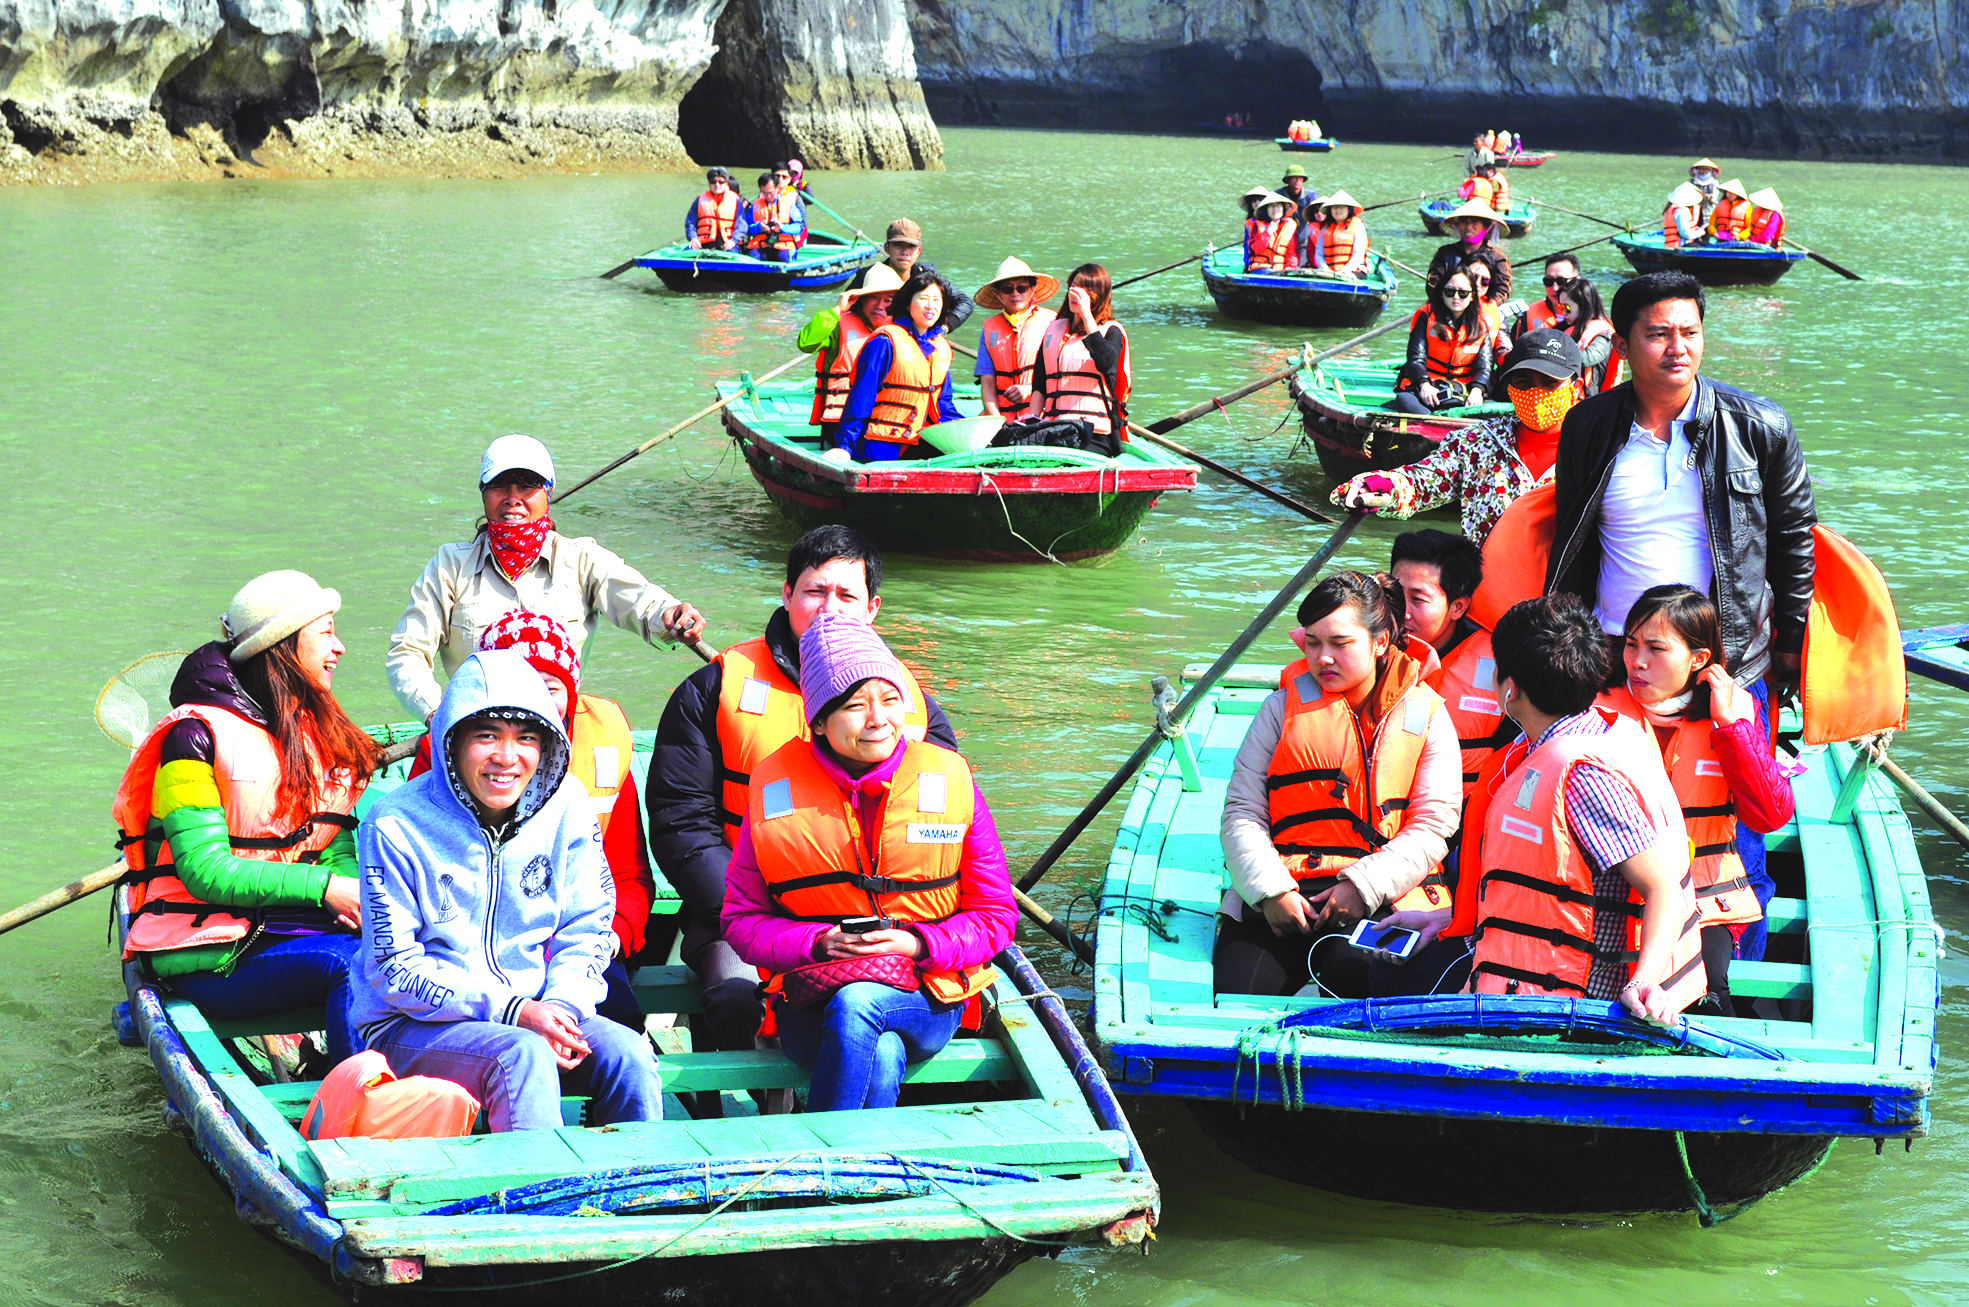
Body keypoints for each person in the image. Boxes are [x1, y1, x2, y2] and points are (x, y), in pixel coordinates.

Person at [646, 526, 959, 1084]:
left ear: (873, 608)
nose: (828, 608)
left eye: (847, 596)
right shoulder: (712, 689)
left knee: (880, 1014)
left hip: (879, 922)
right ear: (787, 594)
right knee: (735, 995)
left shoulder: (910, 706)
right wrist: (764, 925)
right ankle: (730, 1117)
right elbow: (680, 823)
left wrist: (892, 933)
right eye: (815, 592)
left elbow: (949, 831)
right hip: (739, 912)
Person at [354, 650, 663, 1132]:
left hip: (536, 1004)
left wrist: (562, 1006)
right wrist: (513, 1012)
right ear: (451, 742)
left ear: (548, 745)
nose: (506, 756)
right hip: (409, 1026)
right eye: (486, 736)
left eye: (526, 738)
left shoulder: (567, 807)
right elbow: (394, 969)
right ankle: (537, 1203)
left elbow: (588, 925)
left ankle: (643, 1196)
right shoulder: (395, 824)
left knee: (629, 1054)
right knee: (521, 1055)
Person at [721, 614, 1016, 1111]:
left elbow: (996, 916)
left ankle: (813, 1170)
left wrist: (919, 941)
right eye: (855, 706)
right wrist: (818, 942)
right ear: (818, 720)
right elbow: (740, 921)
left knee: (860, 1004)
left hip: (926, 994)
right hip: (810, 998)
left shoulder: (951, 780)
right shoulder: (773, 791)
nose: (877, 719)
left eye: (890, 699)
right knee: (878, 1055)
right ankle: (857, 1184)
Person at [113, 571, 375, 1069]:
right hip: (213, 953)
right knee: (354, 965)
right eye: (326, 632)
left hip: (291, 933)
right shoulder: (191, 738)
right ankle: (352, 1113)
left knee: (404, 948)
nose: (339, 647)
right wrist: (325, 889)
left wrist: (347, 896)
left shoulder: (321, 733)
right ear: (281, 646)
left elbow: (336, 850)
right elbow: (204, 870)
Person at [1423, 595, 1708, 1023]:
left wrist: (1643, 982)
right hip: (1524, 981)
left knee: (1375, 977)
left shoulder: (1581, 776)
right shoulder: (1576, 737)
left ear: (1509, 686)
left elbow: (1662, 888)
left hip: (1568, 1004)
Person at [1547, 270, 1817, 689]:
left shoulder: (1761, 426)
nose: (1678, 348)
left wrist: (1793, 640)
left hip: (1724, 660)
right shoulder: (1587, 426)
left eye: (1690, 332)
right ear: (1620, 344)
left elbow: (1794, 538)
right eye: (1658, 335)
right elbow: (1570, 541)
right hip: (1611, 654)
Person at [401, 612, 656, 1033]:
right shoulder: (446, 755)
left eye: (549, 687)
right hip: (467, 957)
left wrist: (607, 941)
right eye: (517, 683)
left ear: (570, 692)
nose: (532, 699)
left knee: (619, 1028)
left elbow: (627, 877)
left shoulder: (601, 751)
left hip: (575, 949)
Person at [1214, 572, 1460, 998]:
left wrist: (1361, 888)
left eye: (1339, 643)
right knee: (1238, 990)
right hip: (1286, 896)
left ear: (1380, 641)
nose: (1322, 657)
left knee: (1358, 982)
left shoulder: (1429, 716)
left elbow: (1435, 824)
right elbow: (1242, 812)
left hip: (1387, 903)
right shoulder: (1279, 710)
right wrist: (1271, 891)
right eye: (1313, 642)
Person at [386, 435, 705, 723]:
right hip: (475, 732)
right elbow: (407, 652)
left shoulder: (581, 559)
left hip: (560, 725)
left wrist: (671, 616)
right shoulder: (449, 566)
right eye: (500, 486)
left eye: (526, 486)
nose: (513, 498)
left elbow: (641, 601)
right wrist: (441, 715)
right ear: (484, 495)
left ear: (547, 493)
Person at [1603, 584, 1793, 1011]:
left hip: (1706, 896)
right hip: (1615, 881)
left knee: (1710, 993)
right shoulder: (1599, 706)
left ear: (1699, 659)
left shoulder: (1735, 712)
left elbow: (1770, 815)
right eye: (1631, 644)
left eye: (1656, 648)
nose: (1637, 661)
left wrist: (1733, 731)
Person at [1337, 328, 1584, 540]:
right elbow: (1422, 483)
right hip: (1487, 590)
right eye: (1524, 382)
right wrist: (1384, 485)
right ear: (1509, 387)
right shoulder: (1478, 443)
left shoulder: (1597, 451)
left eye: (1549, 382)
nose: (1536, 392)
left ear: (1576, 389)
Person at [1393, 531, 1516, 803]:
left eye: (1418, 599)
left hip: (1465, 818)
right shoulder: (1365, 650)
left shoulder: (1504, 665)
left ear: (1457, 607)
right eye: (1393, 593)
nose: (1401, 612)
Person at [832, 268, 963, 461]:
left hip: (920, 438)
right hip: (880, 442)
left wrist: (964, 438)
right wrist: (845, 446)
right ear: (908, 303)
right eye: (923, 298)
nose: (931, 306)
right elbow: (862, 396)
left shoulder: (940, 348)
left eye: (937, 300)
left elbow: (944, 404)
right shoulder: (885, 342)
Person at [1027, 263, 1132, 446]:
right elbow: (1040, 381)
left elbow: (1107, 362)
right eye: (1074, 286)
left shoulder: (1112, 331)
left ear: (1099, 295)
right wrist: (1032, 420)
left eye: (1086, 289)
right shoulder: (1055, 328)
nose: (1076, 293)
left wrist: (1086, 315)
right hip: (1055, 427)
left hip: (1095, 433)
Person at [799, 264, 904, 444]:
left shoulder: (903, 330)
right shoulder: (839, 324)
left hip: (887, 420)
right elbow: (806, 343)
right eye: (874, 298)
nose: (880, 306)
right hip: (840, 421)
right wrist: (836, 310)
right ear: (861, 299)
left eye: (888, 300)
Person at [1391, 265, 1491, 414]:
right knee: (1404, 400)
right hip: (1425, 388)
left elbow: (1484, 367)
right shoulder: (1425, 316)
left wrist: (1476, 390)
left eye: (1463, 293)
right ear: (1442, 293)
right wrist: (1424, 385)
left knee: (1492, 409)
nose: (1456, 297)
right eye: (1450, 292)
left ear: (1472, 296)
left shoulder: (1481, 325)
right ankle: (1429, 427)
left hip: (1461, 392)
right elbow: (1415, 359)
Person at [973, 257, 1060, 423]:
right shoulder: (989, 329)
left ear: (1032, 289)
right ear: (997, 293)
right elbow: (988, 385)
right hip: (1003, 419)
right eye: (1007, 289)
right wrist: (996, 422)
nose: (1015, 294)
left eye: (1022, 288)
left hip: (1041, 417)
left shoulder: (1052, 322)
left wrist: (1029, 390)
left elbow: (1061, 376)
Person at [845, 219, 974, 330]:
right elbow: (847, 308)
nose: (905, 252)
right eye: (898, 245)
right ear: (887, 248)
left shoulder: (928, 276)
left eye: (911, 246)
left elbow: (964, 302)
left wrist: (943, 328)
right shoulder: (867, 276)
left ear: (918, 251)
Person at [1554, 276, 1621, 394]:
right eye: (1560, 307)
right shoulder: (1564, 328)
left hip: (1596, 401)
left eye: (1567, 307)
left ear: (1584, 305)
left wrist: (1553, 354)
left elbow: (1587, 359)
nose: (1563, 313)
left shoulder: (1604, 334)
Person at [1511, 254, 1580, 340]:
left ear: (1577, 281)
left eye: (1561, 281)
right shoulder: (1528, 315)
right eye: (1549, 281)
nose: (1555, 288)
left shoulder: (1591, 317)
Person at [740, 171, 803, 262]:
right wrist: (759, 227)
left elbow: (798, 227)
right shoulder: (755, 205)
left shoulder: (789, 204)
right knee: (753, 258)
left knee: (782, 258)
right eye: (764, 193)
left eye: (771, 192)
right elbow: (747, 228)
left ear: (777, 188)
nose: (768, 196)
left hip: (783, 244)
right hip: (761, 244)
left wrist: (782, 227)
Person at [1309, 191, 1369, 277]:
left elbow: (1358, 255)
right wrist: (1325, 269)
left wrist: (1344, 272)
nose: (1338, 210)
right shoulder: (1325, 228)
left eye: (1341, 207)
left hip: (1354, 271)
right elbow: (1319, 253)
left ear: (1349, 209)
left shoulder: (1357, 225)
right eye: (1335, 207)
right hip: (1328, 272)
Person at [684, 167, 739, 251]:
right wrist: (693, 238)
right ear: (709, 184)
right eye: (713, 182)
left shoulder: (735, 200)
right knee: (687, 252)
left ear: (726, 184)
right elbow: (690, 222)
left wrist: (733, 240)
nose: (717, 185)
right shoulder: (699, 200)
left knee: (734, 254)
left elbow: (742, 225)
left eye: (721, 182)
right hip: (703, 242)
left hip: (728, 243)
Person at [1244, 192, 1299, 272]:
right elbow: (1254, 249)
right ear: (1266, 209)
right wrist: (1268, 233)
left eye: (1278, 206)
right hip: (1260, 268)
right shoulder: (1257, 225)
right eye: (1271, 206)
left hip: (1280, 270)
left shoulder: (1290, 225)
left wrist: (1290, 268)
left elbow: (1291, 253)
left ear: (1283, 209)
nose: (1275, 209)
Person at [1279, 163, 1320, 260]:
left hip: (1303, 242)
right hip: (1283, 241)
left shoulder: (1310, 196)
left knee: (1302, 266)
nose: (1298, 180)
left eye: (1300, 178)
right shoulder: (1278, 195)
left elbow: (1317, 216)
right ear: (1288, 180)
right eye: (1294, 178)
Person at [771, 162, 808, 247]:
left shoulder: (795, 197)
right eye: (777, 176)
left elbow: (803, 222)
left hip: (791, 237)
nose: (780, 180)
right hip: (769, 236)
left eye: (784, 177)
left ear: (789, 179)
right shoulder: (764, 196)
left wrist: (784, 229)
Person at [1662, 181, 1704, 249]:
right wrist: (1699, 233)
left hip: (1686, 242)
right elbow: (1685, 233)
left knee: (1707, 244)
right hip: (1677, 245)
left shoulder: (1681, 208)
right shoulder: (1680, 211)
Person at [1688, 159, 1723, 230]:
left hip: (1708, 213)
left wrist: (1710, 197)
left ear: (1711, 172)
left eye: (1706, 170)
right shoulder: (1692, 182)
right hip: (1694, 212)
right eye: (1702, 169)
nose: (1703, 171)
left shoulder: (1714, 183)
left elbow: (1715, 197)